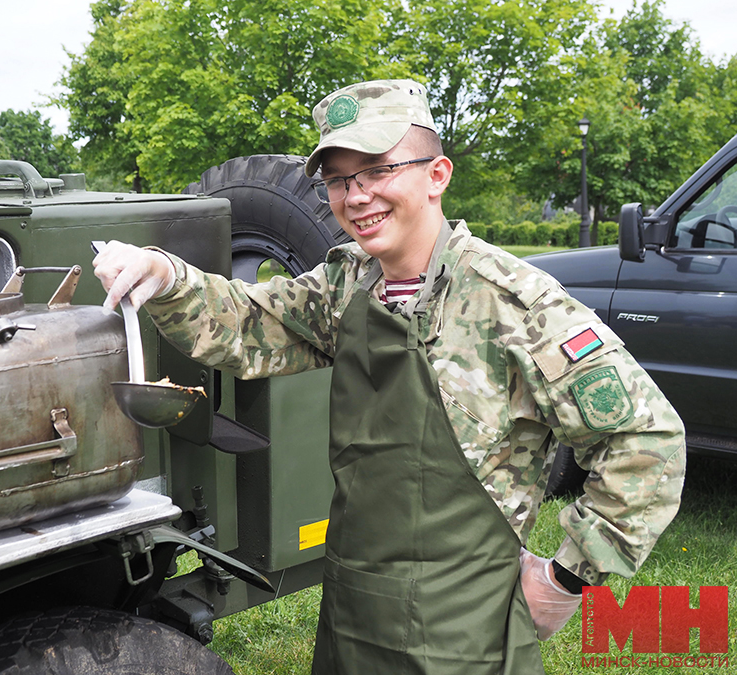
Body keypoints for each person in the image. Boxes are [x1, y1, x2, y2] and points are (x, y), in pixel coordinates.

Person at [93, 79, 686, 674]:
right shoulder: (346, 284)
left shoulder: (516, 304)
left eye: (377, 170)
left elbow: (647, 440)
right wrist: (165, 274)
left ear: (437, 175)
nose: (356, 197)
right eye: (338, 180)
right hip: (352, 612)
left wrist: (566, 576)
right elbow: (251, 327)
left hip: (464, 631)